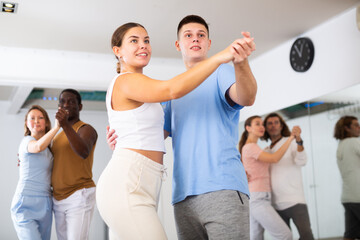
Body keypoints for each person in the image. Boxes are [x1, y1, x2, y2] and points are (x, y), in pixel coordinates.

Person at [107, 15, 257, 239]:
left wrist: (240, 62)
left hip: (222, 187)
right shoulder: (172, 89)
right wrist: (124, 140)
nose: (195, 39)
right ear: (178, 45)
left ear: (208, 43)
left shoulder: (222, 72)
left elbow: (247, 97)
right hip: (183, 197)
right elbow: (157, 132)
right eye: (188, 35)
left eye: (201, 35)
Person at [51, 89, 98, 240]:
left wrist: (64, 125)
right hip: (58, 198)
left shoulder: (86, 129)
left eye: (71, 102)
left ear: (80, 107)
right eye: (63, 102)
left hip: (79, 194)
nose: (66, 105)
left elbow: (83, 151)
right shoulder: (57, 136)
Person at [239, 115, 294, 240]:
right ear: (248, 128)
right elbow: (274, 158)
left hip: (255, 196)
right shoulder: (250, 147)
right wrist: (290, 139)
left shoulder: (251, 147)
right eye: (257, 124)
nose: (262, 127)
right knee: (285, 235)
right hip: (258, 198)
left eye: (262, 124)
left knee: (256, 237)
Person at [11, 105, 60, 240]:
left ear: (46, 123)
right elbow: (37, 147)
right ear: (27, 123)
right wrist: (57, 128)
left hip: (45, 203)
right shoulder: (26, 141)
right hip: (25, 202)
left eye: (40, 118)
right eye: (32, 118)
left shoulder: (50, 150)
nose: (36, 121)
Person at [262, 112, 314, 239]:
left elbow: (302, 161)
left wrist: (299, 141)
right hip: (275, 204)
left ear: (281, 126)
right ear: (266, 128)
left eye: (276, 122)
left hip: (295, 200)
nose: (273, 125)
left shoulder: (290, 142)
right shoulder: (265, 151)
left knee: (307, 236)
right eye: (270, 123)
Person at [334, 116, 360, 240]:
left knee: (350, 234)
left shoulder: (341, 145)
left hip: (348, 197)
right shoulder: (354, 142)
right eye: (356, 125)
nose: (359, 127)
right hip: (358, 196)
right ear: (346, 128)